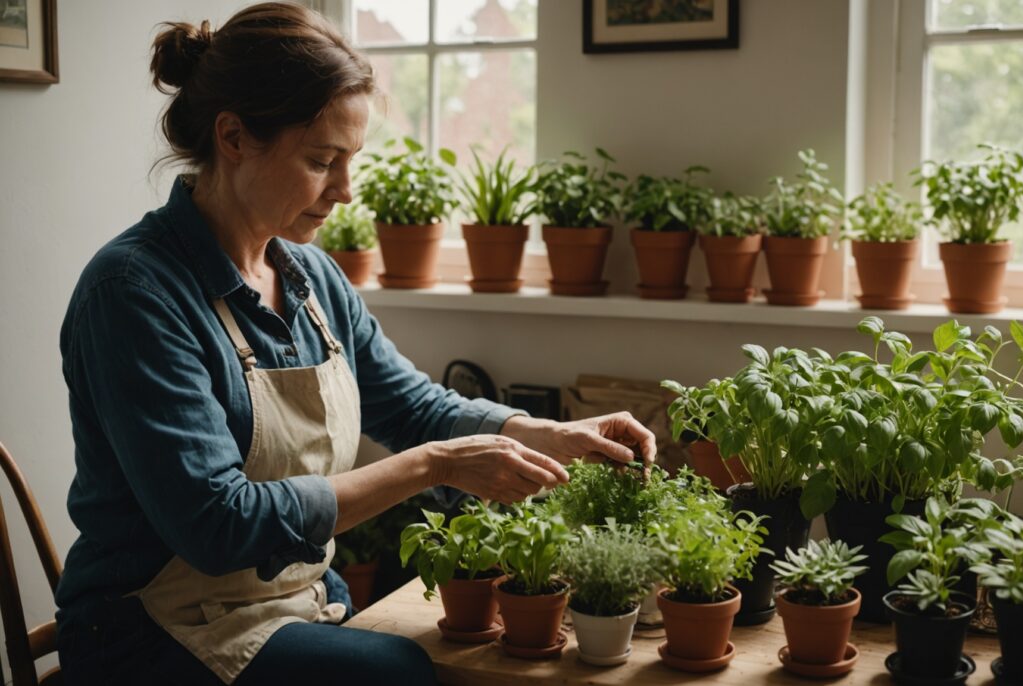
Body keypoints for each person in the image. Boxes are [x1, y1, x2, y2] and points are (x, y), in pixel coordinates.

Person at [53, 4, 656, 684]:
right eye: (322, 161)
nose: (345, 191)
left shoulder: (309, 276)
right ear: (233, 136)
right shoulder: (134, 293)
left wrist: (545, 433)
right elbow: (217, 526)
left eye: (350, 161)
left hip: (291, 603)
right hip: (146, 634)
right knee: (401, 671)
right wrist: (434, 466)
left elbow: (410, 404)